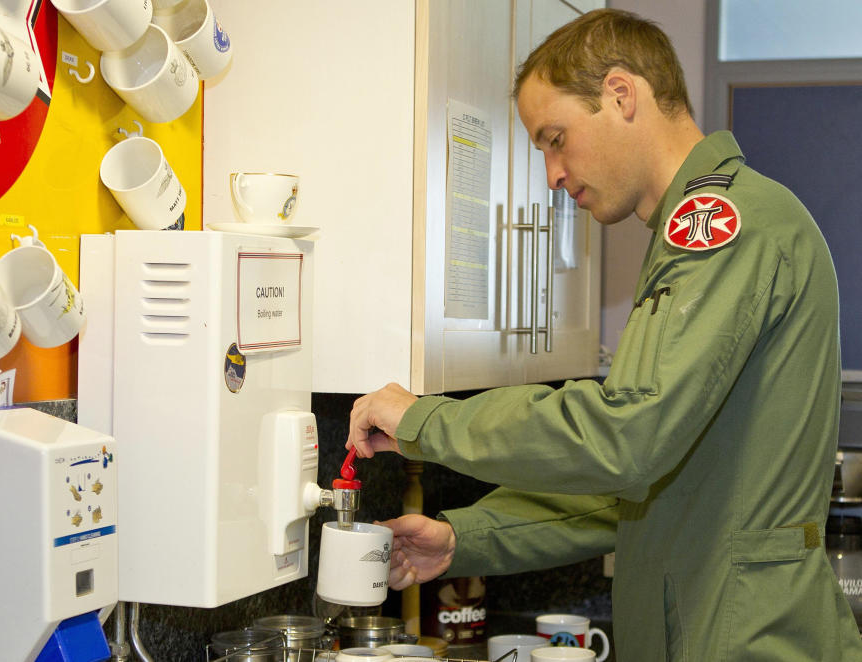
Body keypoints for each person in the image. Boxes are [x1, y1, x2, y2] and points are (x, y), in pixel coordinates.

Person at [345, 9, 862, 662]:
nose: (552, 175)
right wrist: (465, 538)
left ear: (620, 94)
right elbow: (641, 488)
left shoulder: (716, 227)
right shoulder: (703, 230)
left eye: (555, 138)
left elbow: (626, 439)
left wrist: (425, 419)